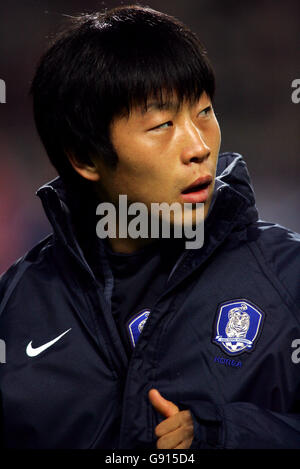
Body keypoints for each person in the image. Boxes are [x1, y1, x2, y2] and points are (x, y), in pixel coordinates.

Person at [0, 4, 300, 450]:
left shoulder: (287, 277)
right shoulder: (18, 305)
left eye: (204, 112)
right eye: (162, 124)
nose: (199, 147)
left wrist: (226, 435)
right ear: (84, 157)